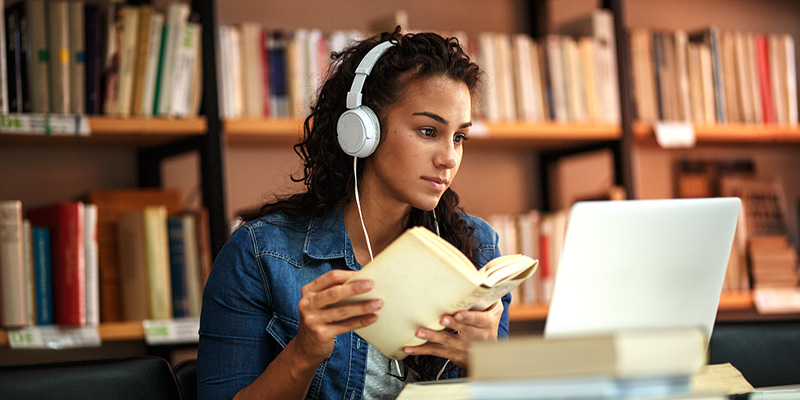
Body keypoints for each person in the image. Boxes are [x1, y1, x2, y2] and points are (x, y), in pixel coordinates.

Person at [198, 28, 511, 400]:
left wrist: (485, 363)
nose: (449, 158)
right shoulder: (259, 255)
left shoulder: (477, 250)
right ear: (363, 130)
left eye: (459, 137)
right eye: (429, 131)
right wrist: (302, 354)